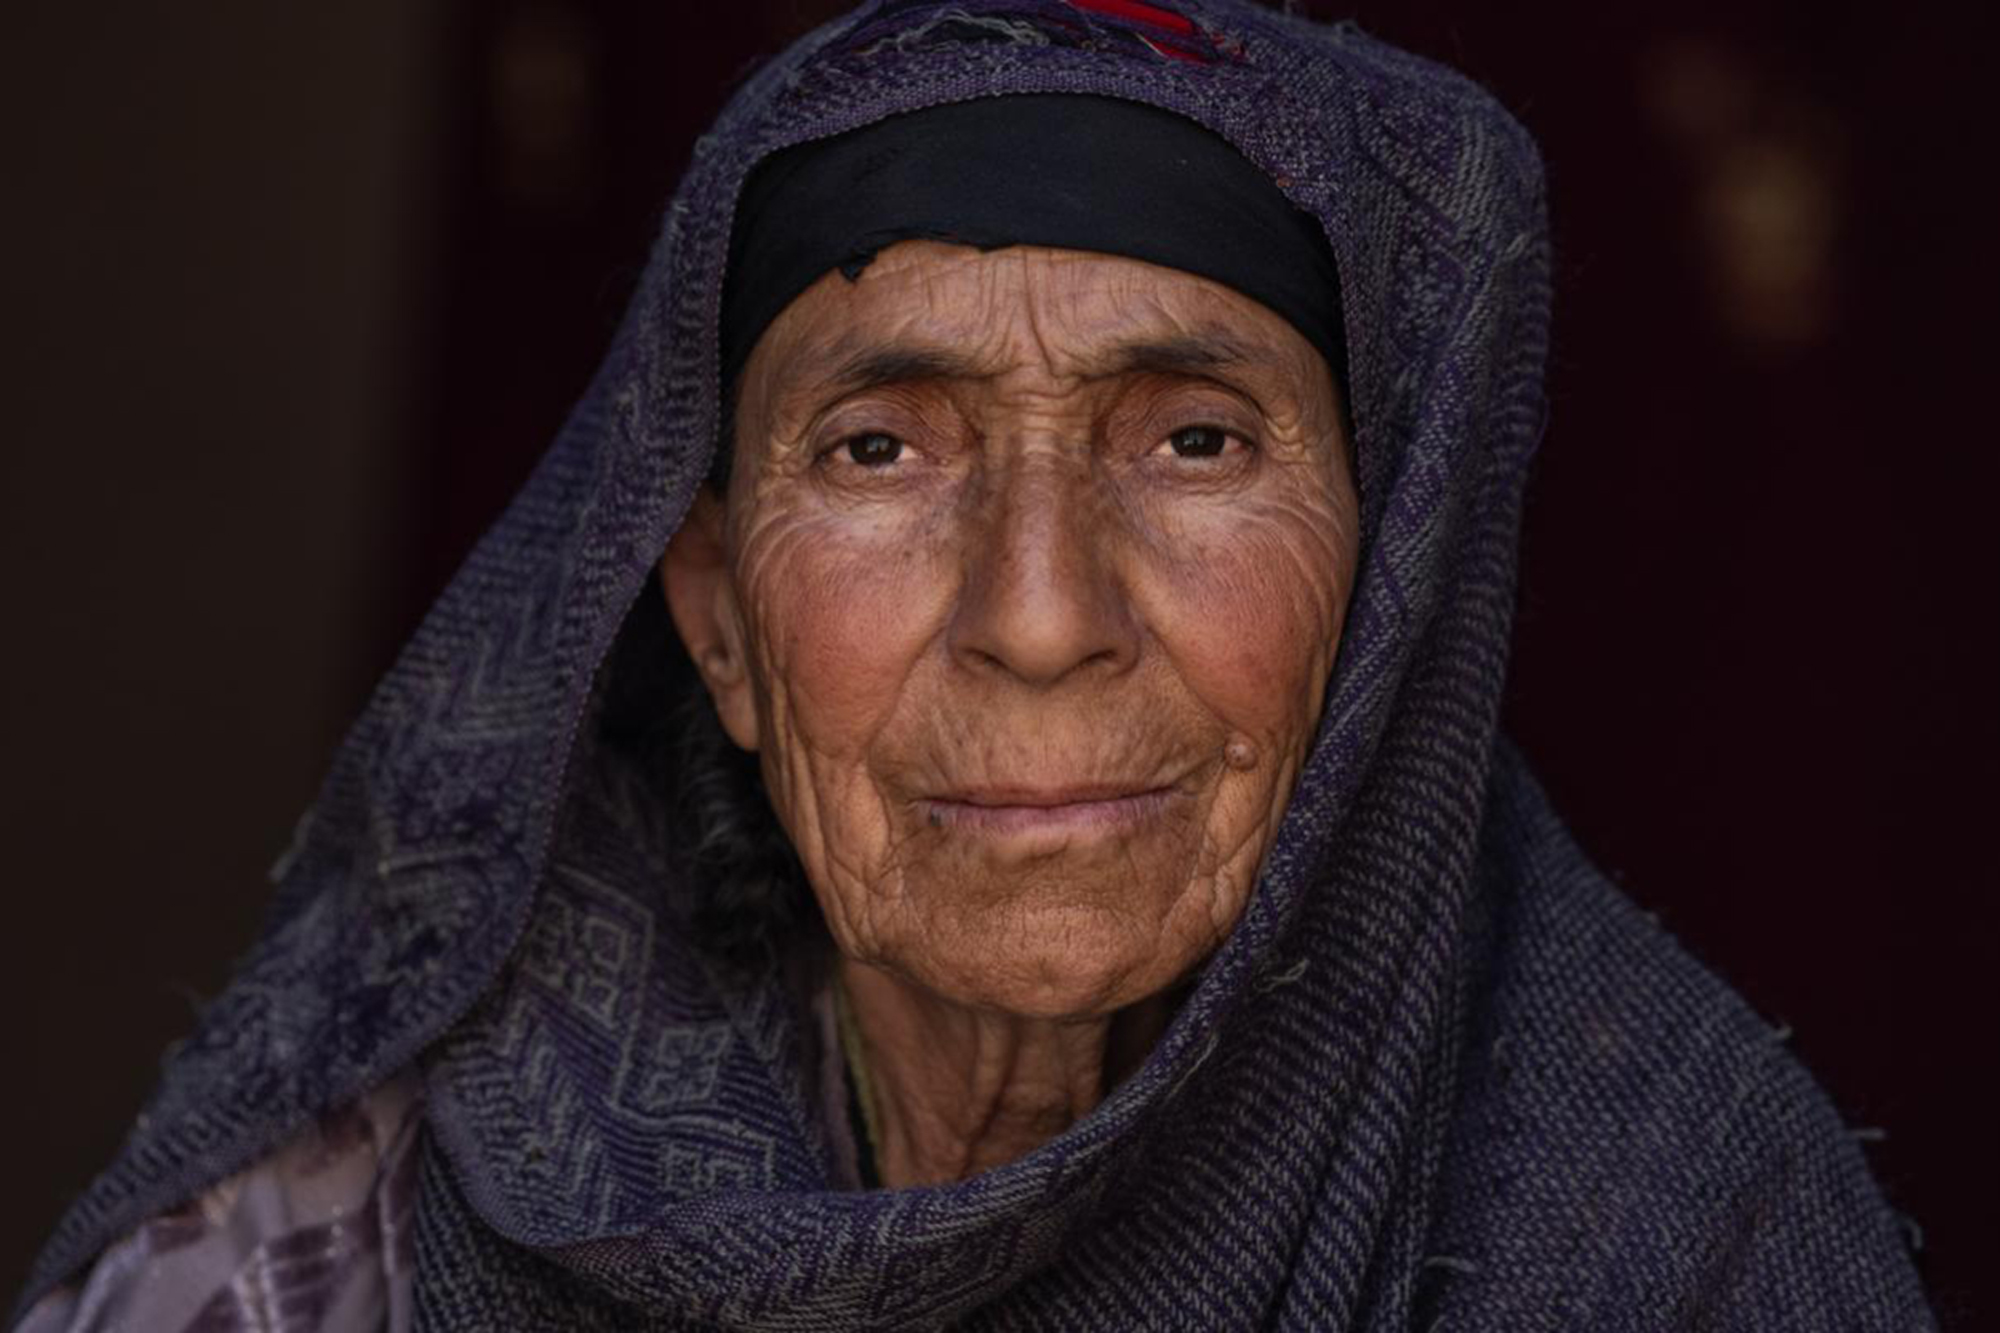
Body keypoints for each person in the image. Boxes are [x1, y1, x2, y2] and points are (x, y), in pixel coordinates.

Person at [12, 1, 1933, 1328]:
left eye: (1193, 438)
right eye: (880, 448)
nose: (1036, 610)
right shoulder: (333, 1258)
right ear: (720, 629)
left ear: (1383, 604)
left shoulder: (1682, 1241)